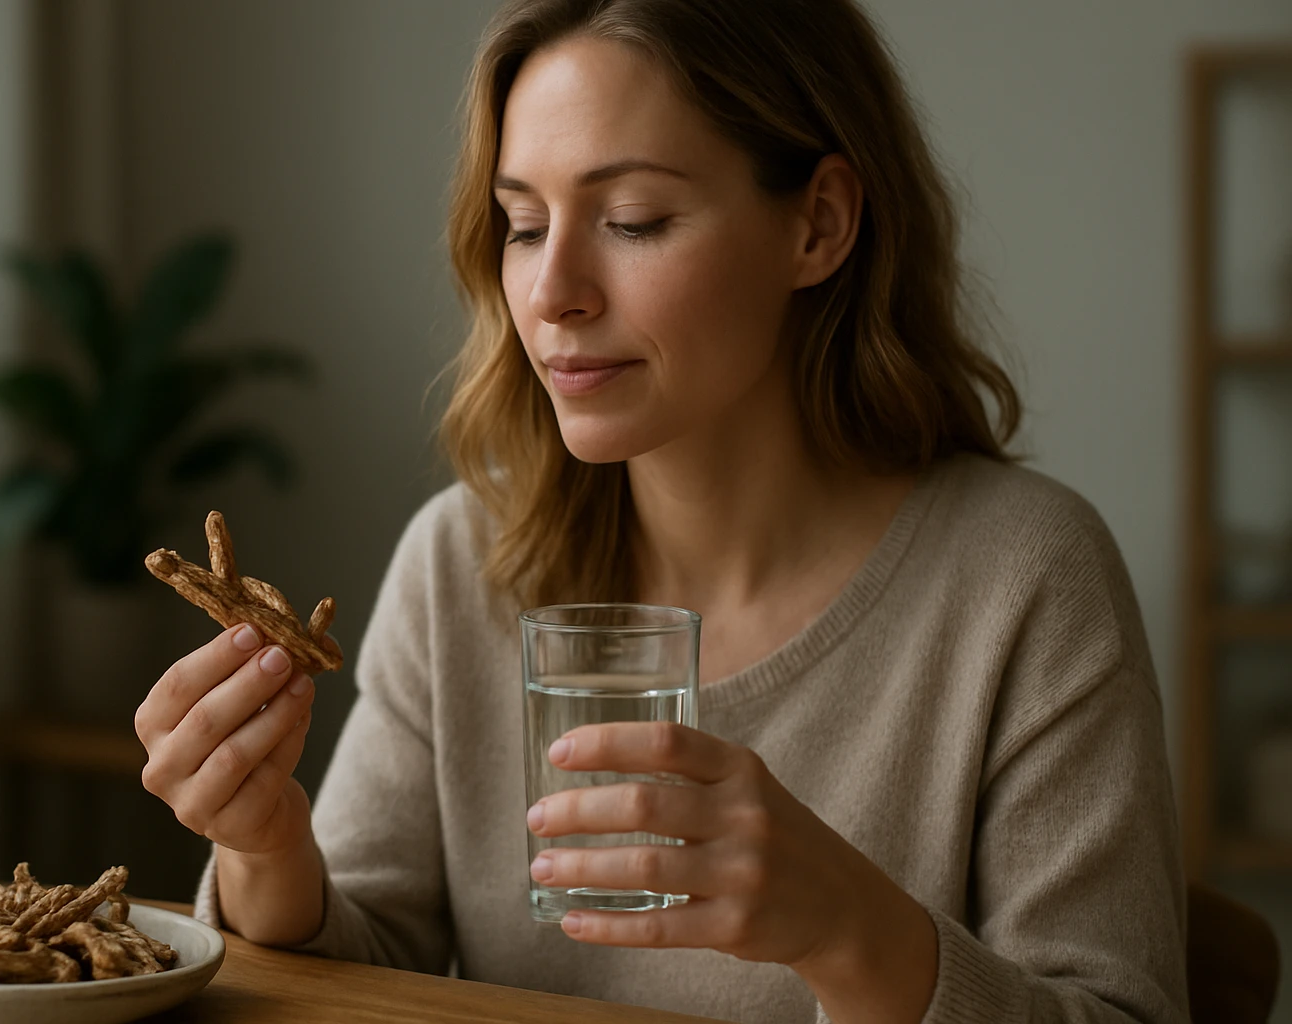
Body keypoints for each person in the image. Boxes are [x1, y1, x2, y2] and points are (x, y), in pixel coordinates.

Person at [134, 1, 1189, 1021]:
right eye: (523, 224)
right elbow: (365, 967)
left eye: (633, 219)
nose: (552, 293)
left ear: (817, 225)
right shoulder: (461, 561)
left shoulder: (1026, 577)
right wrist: (269, 846)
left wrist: (849, 928)